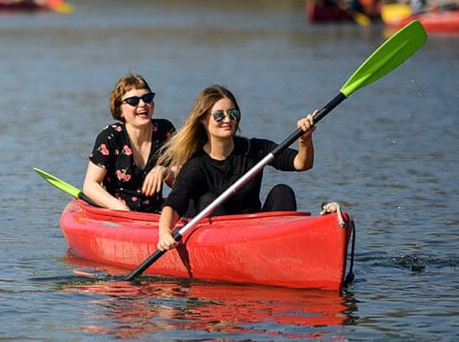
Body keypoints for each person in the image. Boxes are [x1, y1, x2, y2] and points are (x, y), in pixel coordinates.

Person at [155, 85, 316, 251]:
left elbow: (301, 163)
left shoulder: (254, 149)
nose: (227, 119)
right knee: (208, 201)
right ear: (203, 119)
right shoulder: (195, 165)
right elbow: (174, 203)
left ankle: (281, 250)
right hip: (218, 243)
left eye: (233, 113)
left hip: (255, 236)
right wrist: (164, 232)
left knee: (283, 191)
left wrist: (305, 140)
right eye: (219, 115)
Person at [83, 74, 177, 213]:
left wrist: (165, 172)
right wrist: (120, 208)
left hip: (155, 215)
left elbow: (179, 183)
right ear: (120, 110)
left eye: (147, 98)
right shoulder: (111, 136)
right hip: (118, 214)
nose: (142, 104)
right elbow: (90, 185)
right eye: (133, 101)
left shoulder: (165, 130)